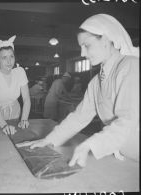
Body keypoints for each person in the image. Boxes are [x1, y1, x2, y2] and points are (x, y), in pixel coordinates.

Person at [17, 14, 139, 167]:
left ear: (106, 41)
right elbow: (79, 117)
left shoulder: (131, 66)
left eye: (86, 45)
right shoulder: (96, 82)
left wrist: (90, 144)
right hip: (122, 154)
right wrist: (49, 140)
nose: (82, 53)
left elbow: (128, 121)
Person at [0, 35, 31, 135]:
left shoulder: (20, 72)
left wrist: (24, 119)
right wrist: (4, 125)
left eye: (11, 56)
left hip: (14, 112)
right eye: (4, 57)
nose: (9, 61)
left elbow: (26, 99)